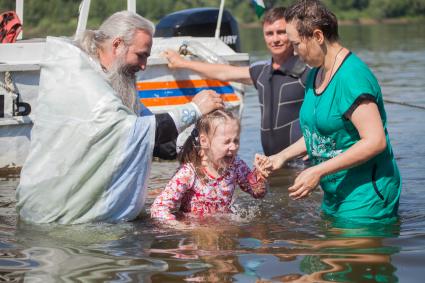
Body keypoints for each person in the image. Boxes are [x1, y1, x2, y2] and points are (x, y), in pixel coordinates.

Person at [15, 11, 224, 224]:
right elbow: (129, 131)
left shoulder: (110, 79)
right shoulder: (83, 81)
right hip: (53, 218)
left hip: (78, 215)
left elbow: (155, 139)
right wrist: (193, 109)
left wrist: (202, 143)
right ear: (117, 45)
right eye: (141, 55)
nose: (143, 66)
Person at [263, 0, 401, 223]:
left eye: (296, 44)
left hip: (366, 197)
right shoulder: (314, 73)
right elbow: (319, 134)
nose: (294, 52)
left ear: (318, 36)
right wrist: (282, 156)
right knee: (319, 257)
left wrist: (318, 171)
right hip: (334, 193)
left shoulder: (352, 78)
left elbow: (375, 141)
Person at [163, 7, 310, 156]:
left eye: (281, 32)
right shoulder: (261, 71)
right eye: (269, 33)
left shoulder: (307, 72)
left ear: (292, 33)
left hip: (300, 163)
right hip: (271, 162)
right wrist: (183, 64)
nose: (275, 39)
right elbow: (224, 72)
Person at [150, 109, 270, 223]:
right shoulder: (189, 173)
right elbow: (158, 209)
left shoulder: (236, 165)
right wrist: (183, 228)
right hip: (195, 236)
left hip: (224, 231)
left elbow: (258, 193)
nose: (233, 147)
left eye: (236, 141)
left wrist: (259, 174)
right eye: (227, 142)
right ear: (204, 141)